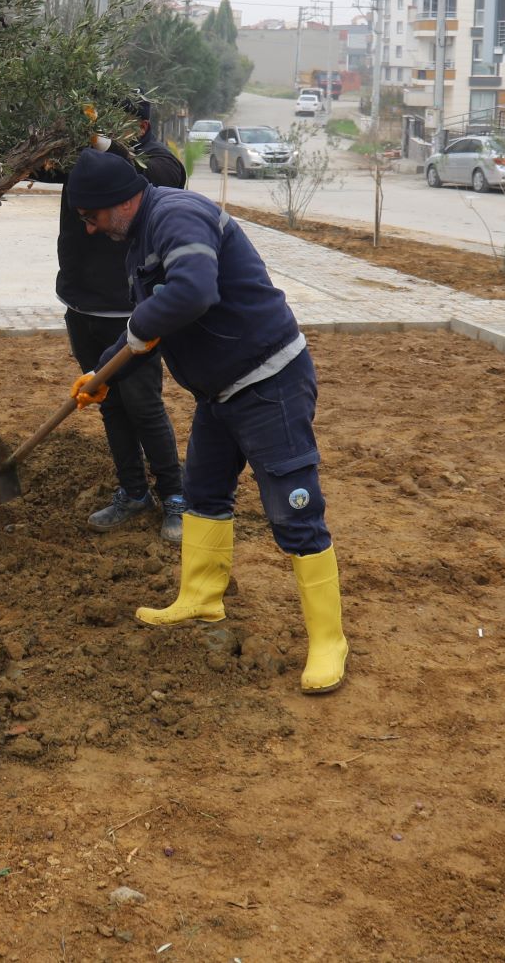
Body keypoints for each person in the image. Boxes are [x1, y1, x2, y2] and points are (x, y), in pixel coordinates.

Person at [67, 148, 347, 694]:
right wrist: (101, 373)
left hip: (270, 383)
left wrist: (134, 333)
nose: (91, 228)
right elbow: (150, 331)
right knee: (204, 494)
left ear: (118, 202)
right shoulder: (139, 239)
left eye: (91, 216)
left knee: (294, 509)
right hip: (219, 391)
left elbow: (192, 292)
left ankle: (328, 640)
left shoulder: (177, 216)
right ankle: (201, 598)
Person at [44, 98, 187, 541]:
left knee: (144, 407)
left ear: (140, 125)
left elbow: (160, 178)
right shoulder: (82, 162)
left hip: (131, 314)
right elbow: (39, 164)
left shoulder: (159, 162)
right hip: (82, 308)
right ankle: (133, 492)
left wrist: (103, 142)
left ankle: (176, 497)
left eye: (112, 123)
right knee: (109, 404)